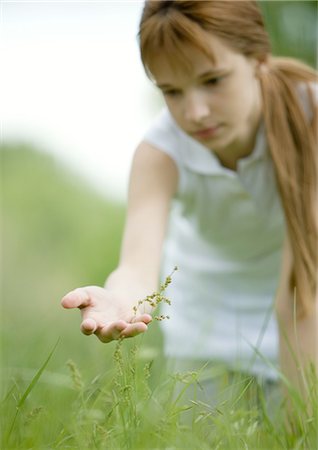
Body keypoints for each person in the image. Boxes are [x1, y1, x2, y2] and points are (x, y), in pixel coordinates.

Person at [61, 0, 317, 408]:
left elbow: (303, 281)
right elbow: (137, 266)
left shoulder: (310, 117)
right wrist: (121, 300)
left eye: (213, 80)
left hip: (305, 323)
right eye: (172, 91)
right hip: (205, 337)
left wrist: (299, 417)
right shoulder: (159, 153)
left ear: (257, 57)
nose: (195, 112)